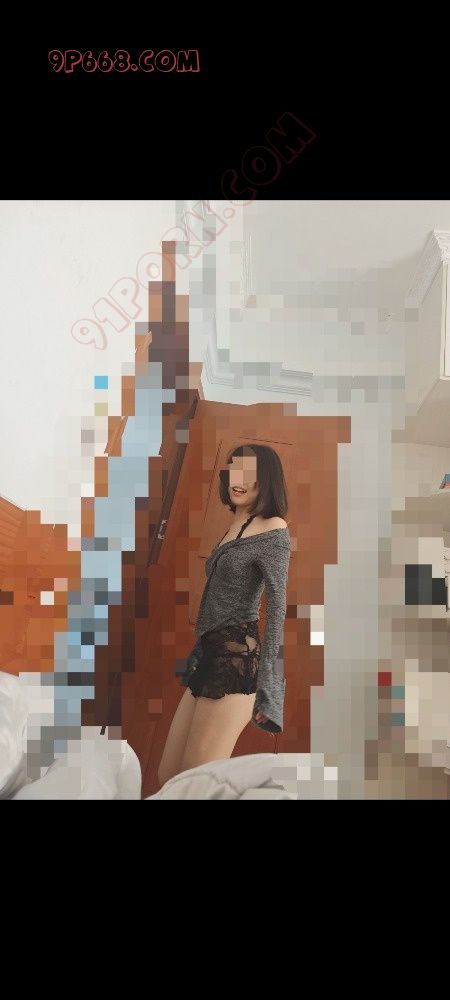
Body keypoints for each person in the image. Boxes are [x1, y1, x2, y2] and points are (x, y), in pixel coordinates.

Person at [157, 443, 291, 787]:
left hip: (235, 659)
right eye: (234, 469)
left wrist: (270, 689)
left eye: (250, 472)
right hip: (207, 652)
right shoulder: (236, 524)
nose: (238, 479)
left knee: (195, 783)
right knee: (168, 775)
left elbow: (277, 609)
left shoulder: (274, 529)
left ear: (266, 480)